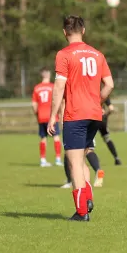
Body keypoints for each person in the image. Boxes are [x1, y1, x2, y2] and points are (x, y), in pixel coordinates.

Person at [47, 15, 114, 222]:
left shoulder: (64, 54)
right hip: (95, 114)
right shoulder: (97, 54)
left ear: (64, 32)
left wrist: (52, 116)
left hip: (75, 115)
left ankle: (82, 212)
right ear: (83, 31)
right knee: (82, 158)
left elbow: (59, 87)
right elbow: (109, 84)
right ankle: (88, 199)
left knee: (74, 161)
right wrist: (98, 101)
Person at [60, 98, 122, 189]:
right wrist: (105, 114)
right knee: (101, 141)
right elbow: (111, 108)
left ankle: (70, 180)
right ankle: (110, 162)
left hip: (80, 120)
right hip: (99, 118)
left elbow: (63, 103)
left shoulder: (76, 89)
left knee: (71, 152)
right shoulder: (98, 89)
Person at [31, 67, 62, 167]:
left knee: (43, 138)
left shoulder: (37, 88)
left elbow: (34, 105)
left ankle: (43, 160)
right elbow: (58, 101)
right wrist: (60, 113)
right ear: (48, 75)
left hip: (41, 116)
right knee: (56, 137)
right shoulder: (53, 87)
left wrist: (37, 115)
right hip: (52, 116)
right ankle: (58, 159)